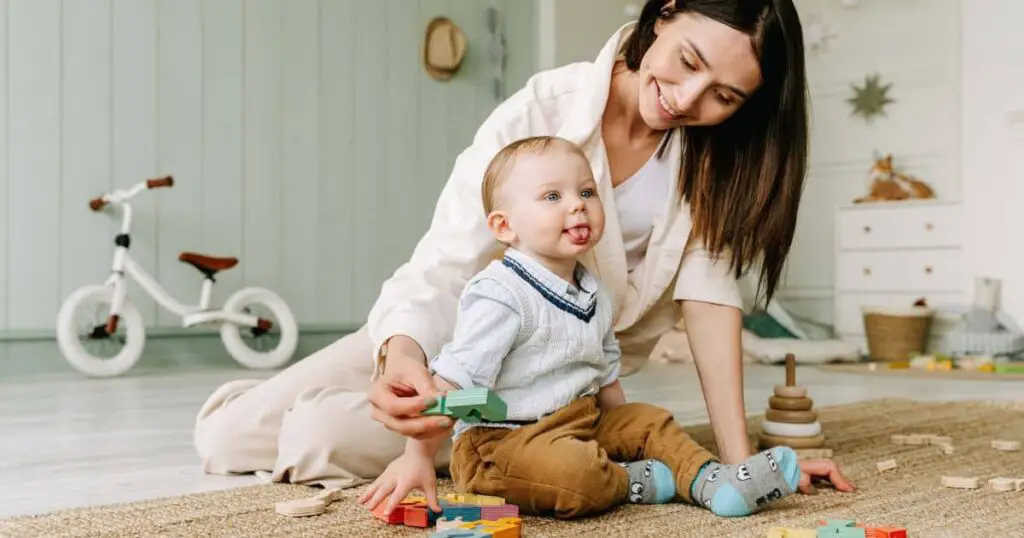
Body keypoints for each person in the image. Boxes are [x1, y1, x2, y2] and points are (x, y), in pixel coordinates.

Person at [193, 0, 854, 497]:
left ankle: (510, 437)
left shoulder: (716, 164)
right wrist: (401, 354)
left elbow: (711, 305)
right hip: (455, 340)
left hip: (549, 389)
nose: (687, 99)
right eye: (687, 62)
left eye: (724, 96)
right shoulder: (544, 109)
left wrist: (741, 466)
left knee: (318, 438)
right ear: (666, 12)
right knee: (224, 436)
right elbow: (444, 262)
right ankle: (318, 398)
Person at [358, 135, 804, 520]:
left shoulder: (592, 288)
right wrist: (416, 455)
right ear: (504, 226)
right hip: (502, 445)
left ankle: (715, 483)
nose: (577, 205)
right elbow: (453, 383)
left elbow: (604, 371)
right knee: (576, 473)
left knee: (652, 421)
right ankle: (630, 481)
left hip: (579, 420)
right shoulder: (500, 294)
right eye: (552, 197)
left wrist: (627, 434)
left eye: (587, 192)